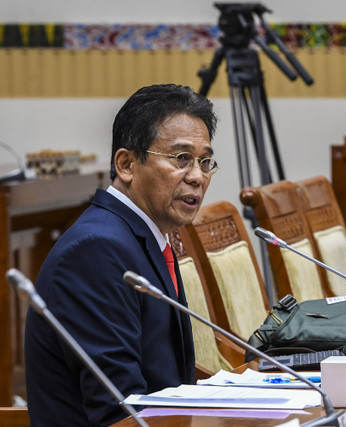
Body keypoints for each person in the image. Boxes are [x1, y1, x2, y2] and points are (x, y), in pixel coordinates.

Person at [24, 84, 218, 426]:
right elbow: (121, 409)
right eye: (181, 158)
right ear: (126, 164)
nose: (197, 177)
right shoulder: (97, 251)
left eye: (205, 162)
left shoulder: (139, 236)